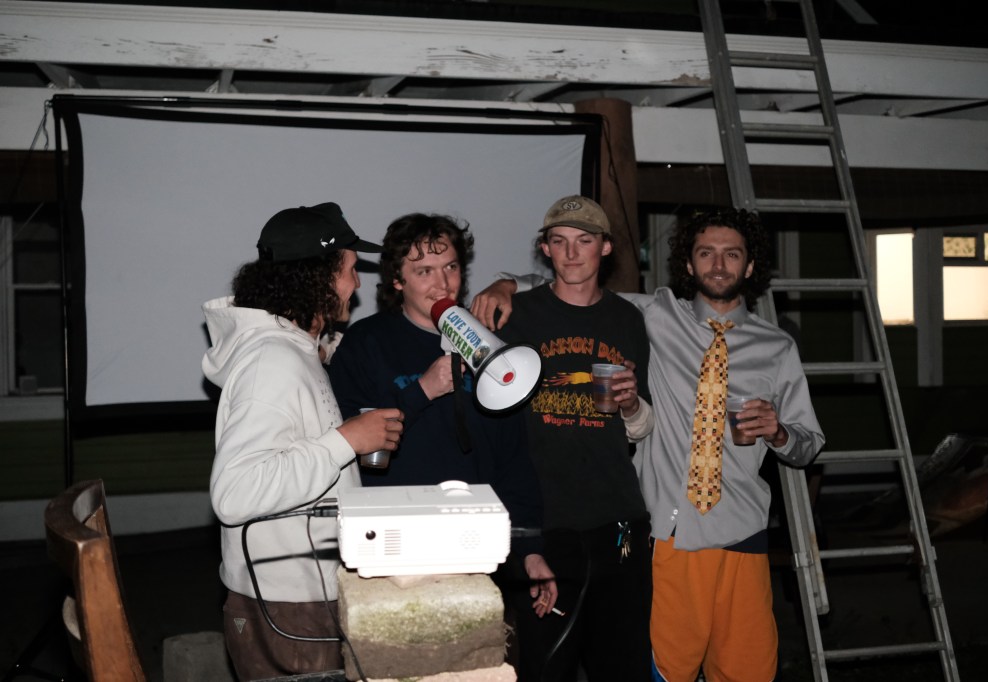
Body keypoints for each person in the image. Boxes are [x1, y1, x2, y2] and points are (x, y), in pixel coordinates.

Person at [471, 207, 826, 682]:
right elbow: (573, 278)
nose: (718, 265)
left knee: (748, 673)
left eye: (732, 254)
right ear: (688, 264)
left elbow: (808, 444)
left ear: (750, 266)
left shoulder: (778, 347)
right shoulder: (657, 314)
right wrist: (505, 285)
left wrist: (780, 432)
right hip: (669, 533)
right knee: (665, 671)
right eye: (706, 253)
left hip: (742, 531)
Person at [325, 212, 557, 668]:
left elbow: (513, 459)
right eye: (423, 271)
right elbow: (354, 445)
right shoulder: (366, 344)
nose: (442, 283)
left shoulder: (489, 346)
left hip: (475, 544)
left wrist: (530, 550)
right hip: (394, 547)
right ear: (397, 280)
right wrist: (422, 391)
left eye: (450, 267)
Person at [202, 202, 404, 681]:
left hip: (297, 596)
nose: (357, 284)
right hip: (286, 606)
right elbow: (235, 493)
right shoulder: (271, 362)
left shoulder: (292, 349)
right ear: (320, 277)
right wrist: (345, 441)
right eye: (351, 270)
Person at [485, 195, 655, 682]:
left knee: (622, 666)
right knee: (546, 666)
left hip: (619, 519)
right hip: (543, 523)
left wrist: (630, 404)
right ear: (545, 249)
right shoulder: (515, 314)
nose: (572, 253)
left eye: (584, 241)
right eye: (559, 242)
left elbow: (641, 428)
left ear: (606, 247)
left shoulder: (627, 319)